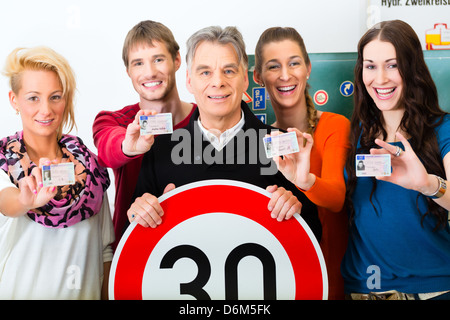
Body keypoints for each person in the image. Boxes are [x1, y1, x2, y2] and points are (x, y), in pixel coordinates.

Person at [127, 26, 321, 242]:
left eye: (229, 70)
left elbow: (314, 234)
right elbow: (136, 236)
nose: (218, 82)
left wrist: (296, 211)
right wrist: (139, 212)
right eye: (205, 72)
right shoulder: (161, 148)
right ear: (190, 81)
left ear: (245, 79)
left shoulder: (281, 143)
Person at [343, 20, 450, 300]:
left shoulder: (442, 129)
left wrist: (427, 184)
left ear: (412, 68)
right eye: (371, 66)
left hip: (433, 290)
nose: (380, 79)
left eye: (392, 65)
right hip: (363, 290)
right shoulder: (355, 134)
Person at [0, 46, 113, 299]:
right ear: (14, 100)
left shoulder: (90, 167)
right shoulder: (4, 161)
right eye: (33, 98)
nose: (46, 110)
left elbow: (105, 249)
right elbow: (6, 203)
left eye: (55, 97)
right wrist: (24, 201)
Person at [253, 27, 350, 300]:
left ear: (307, 68)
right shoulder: (257, 138)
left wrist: (304, 180)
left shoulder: (333, 125)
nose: (285, 75)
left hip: (330, 281)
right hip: (277, 284)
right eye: (274, 66)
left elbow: (335, 199)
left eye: (294, 63)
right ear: (258, 77)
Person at [92, 20, 197, 249]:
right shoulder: (112, 120)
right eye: (138, 63)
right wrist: (129, 147)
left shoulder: (207, 118)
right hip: (131, 257)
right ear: (128, 71)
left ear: (177, 60)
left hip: (198, 249)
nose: (149, 72)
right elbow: (108, 148)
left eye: (158, 59)